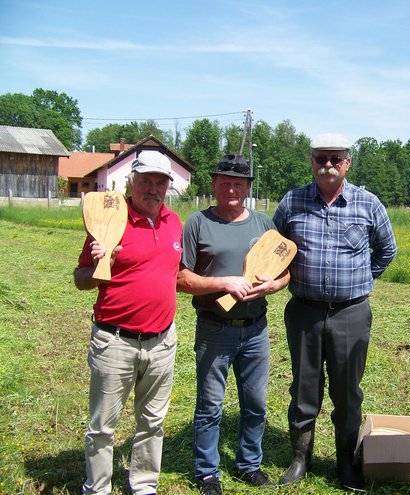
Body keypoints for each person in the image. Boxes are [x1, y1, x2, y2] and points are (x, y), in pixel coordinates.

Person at [273, 133, 397, 490]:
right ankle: (300, 459)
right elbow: (274, 246)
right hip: (304, 312)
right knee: (303, 387)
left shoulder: (367, 203)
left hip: (350, 314)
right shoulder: (292, 202)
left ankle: (346, 463)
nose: (327, 164)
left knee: (347, 391)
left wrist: (360, 281)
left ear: (347, 163)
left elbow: (386, 251)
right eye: (320, 158)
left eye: (335, 158)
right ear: (311, 162)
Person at [177, 154, 290, 495]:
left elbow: (284, 271)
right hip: (214, 328)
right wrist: (223, 283)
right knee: (210, 406)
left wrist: (274, 285)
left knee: (255, 404)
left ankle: (248, 465)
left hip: (256, 329)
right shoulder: (197, 222)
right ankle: (207, 472)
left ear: (247, 188)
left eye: (238, 183)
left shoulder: (264, 225)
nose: (230, 188)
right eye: (224, 181)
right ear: (213, 185)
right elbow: (182, 278)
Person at [74, 150, 183, 495]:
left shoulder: (174, 222)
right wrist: (97, 265)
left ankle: (144, 484)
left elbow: (176, 274)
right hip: (114, 340)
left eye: (160, 182)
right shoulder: (109, 220)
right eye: (146, 181)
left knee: (152, 421)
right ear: (132, 182)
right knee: (103, 425)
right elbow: (80, 279)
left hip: (162, 341)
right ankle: (98, 488)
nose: (153, 189)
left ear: (168, 186)